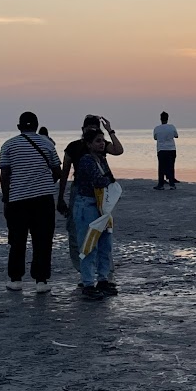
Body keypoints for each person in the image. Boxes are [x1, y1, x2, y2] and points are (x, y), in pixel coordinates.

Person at [0, 110, 61, 292]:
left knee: (17, 240)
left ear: (19, 127)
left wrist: (6, 198)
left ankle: (16, 279)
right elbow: (57, 171)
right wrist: (45, 184)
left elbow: (4, 175)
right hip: (43, 200)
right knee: (43, 240)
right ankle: (41, 281)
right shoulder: (47, 144)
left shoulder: (8, 145)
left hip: (17, 200)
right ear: (36, 125)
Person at [58, 114, 124, 275]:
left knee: (103, 229)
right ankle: (82, 269)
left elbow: (118, 150)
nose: (93, 132)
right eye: (89, 129)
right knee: (76, 230)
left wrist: (110, 130)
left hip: (101, 193)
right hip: (80, 191)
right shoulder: (73, 147)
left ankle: (104, 269)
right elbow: (65, 172)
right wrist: (60, 197)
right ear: (83, 130)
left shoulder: (101, 143)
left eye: (96, 130)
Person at [73, 128, 118, 299]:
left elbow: (109, 179)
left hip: (101, 206)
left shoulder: (101, 159)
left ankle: (103, 279)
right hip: (86, 204)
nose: (102, 144)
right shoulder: (86, 160)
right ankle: (88, 283)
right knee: (89, 244)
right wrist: (110, 182)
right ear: (89, 144)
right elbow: (100, 180)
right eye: (98, 141)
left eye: (102, 140)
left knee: (105, 244)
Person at [153, 110, 179, 189]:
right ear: (167, 118)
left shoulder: (157, 128)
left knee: (161, 167)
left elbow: (155, 138)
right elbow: (176, 135)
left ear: (160, 119)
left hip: (161, 149)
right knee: (171, 166)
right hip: (171, 149)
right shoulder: (172, 127)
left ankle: (161, 184)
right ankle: (172, 184)